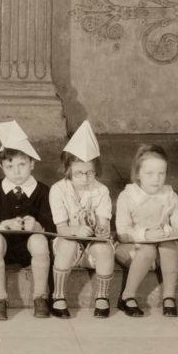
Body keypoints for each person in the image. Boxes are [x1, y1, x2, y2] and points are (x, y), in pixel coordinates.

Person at [0, 121, 52, 320]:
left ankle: (40, 296)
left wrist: (36, 225)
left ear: (32, 163)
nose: (17, 171)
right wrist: (4, 225)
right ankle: (0, 299)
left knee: (39, 240)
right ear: (2, 167)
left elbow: (51, 222)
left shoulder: (43, 191)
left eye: (22, 164)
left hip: (30, 248)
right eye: (9, 166)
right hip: (3, 246)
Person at [49, 121, 116, 319]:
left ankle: (102, 297)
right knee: (68, 244)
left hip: (92, 246)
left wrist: (102, 230)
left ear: (96, 170)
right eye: (79, 173)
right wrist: (76, 230)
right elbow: (61, 228)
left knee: (104, 249)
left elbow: (104, 223)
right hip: (68, 242)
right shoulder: (58, 190)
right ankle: (58, 296)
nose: (85, 178)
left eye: (90, 172)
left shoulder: (101, 190)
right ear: (68, 170)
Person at [115, 144, 178, 317]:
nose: (156, 179)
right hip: (134, 248)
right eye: (149, 173)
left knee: (168, 247)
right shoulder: (128, 195)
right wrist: (145, 235)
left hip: (164, 252)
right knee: (148, 249)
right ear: (138, 174)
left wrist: (166, 232)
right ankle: (127, 296)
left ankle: (169, 297)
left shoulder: (170, 196)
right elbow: (122, 232)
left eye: (162, 173)